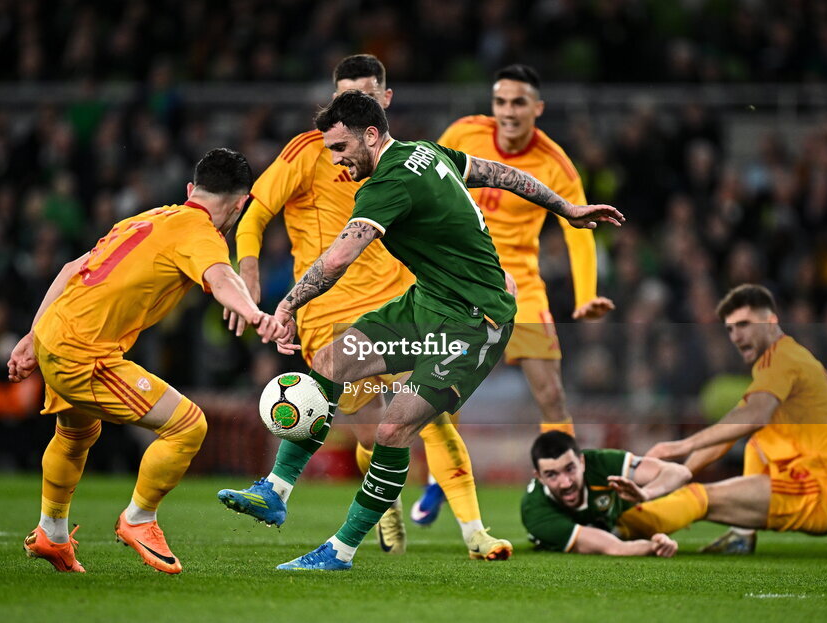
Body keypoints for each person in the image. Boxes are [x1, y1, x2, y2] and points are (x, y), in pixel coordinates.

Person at [251, 90, 622, 571]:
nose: (337, 162)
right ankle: (275, 490)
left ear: (370, 135)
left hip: (475, 320)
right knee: (330, 361)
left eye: (341, 149)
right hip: (428, 302)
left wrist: (284, 305)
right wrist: (567, 209)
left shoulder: (386, 185)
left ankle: (340, 550)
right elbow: (502, 175)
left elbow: (338, 259)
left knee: (392, 428)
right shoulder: (426, 151)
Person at [220, 54, 513, 560]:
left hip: (421, 305)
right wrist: (249, 285)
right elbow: (254, 215)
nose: (335, 154)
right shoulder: (310, 153)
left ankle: (469, 531)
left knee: (405, 423)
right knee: (367, 420)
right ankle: (301, 494)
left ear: (381, 108)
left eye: (365, 95)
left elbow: (348, 251)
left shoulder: (403, 168)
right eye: (342, 97)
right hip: (331, 310)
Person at [7, 148, 285, 574]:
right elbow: (220, 276)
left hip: (55, 334)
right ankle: (139, 519)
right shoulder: (201, 233)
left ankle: (52, 532)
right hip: (84, 353)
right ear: (240, 203)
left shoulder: (149, 217)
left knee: (76, 433)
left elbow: (72, 267)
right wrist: (253, 313)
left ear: (191, 189)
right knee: (188, 424)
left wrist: (31, 335)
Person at [415, 63, 615, 525]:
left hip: (521, 283)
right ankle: (439, 480)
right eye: (501, 101)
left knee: (551, 394)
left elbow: (580, 227)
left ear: (537, 109)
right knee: (440, 384)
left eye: (518, 102)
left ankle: (571, 492)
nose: (508, 111)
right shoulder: (464, 133)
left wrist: (586, 293)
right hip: (458, 277)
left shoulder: (555, 163)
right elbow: (425, 181)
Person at [643, 284, 827, 551]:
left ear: (771, 322)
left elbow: (754, 416)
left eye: (745, 325)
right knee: (756, 443)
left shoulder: (781, 360)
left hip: (822, 490)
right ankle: (741, 535)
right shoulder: (780, 364)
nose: (737, 336)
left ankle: (622, 524)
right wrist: (682, 472)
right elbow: (731, 432)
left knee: (697, 497)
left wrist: (681, 446)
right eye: (731, 329)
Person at [521, 431, 690, 556]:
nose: (565, 483)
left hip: (628, 518)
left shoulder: (600, 462)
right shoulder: (535, 510)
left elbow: (679, 472)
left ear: (582, 462)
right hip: (610, 535)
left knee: (704, 498)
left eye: (570, 469)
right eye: (552, 475)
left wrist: (646, 493)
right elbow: (615, 547)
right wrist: (655, 546)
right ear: (539, 477)